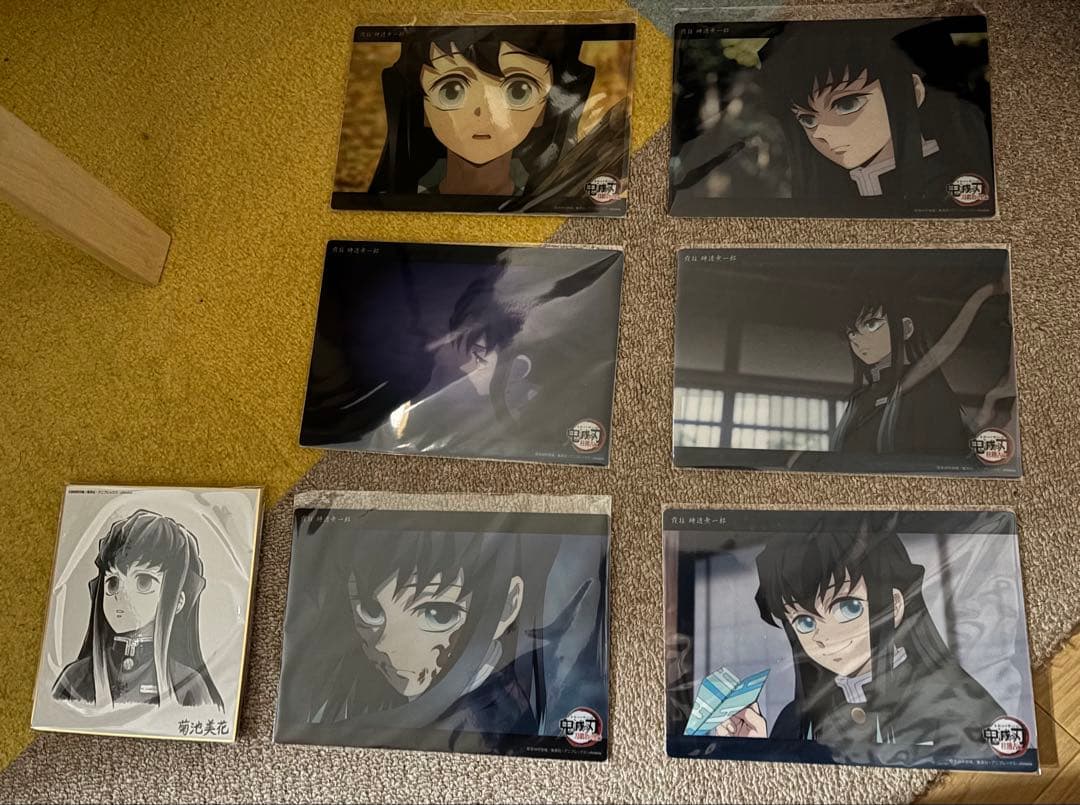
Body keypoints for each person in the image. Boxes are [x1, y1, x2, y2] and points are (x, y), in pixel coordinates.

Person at [713, 516, 1005, 765]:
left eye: (847, 608)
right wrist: (756, 748)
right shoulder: (797, 719)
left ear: (895, 604)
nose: (825, 637)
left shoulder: (955, 704)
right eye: (805, 622)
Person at [756, 20, 994, 204]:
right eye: (808, 119)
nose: (821, 133)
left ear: (913, 91)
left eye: (846, 105)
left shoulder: (955, 183)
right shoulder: (827, 191)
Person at [53, 510, 223, 709]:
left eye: (143, 582)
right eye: (113, 582)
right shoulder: (75, 679)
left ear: (178, 601)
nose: (121, 596)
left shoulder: (187, 684)